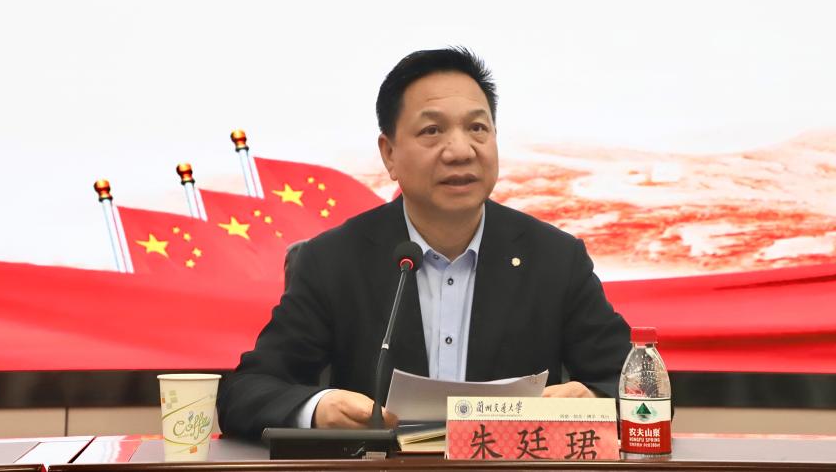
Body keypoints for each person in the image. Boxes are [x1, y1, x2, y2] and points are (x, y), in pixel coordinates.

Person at [217, 47, 631, 438]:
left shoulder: (555, 259)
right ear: (389, 154)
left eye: (477, 128)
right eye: (432, 130)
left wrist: (593, 400)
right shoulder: (333, 260)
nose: (460, 151)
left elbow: (633, 382)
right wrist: (318, 407)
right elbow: (247, 391)